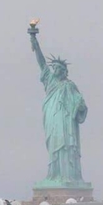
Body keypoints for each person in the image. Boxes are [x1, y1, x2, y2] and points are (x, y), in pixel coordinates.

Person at [30, 32, 88, 183]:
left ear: (64, 71)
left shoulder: (70, 85)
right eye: (53, 68)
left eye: (58, 68)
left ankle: (67, 175)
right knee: (55, 144)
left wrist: (79, 107)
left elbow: (80, 103)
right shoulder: (49, 80)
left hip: (66, 120)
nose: (55, 70)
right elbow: (42, 63)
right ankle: (54, 174)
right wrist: (35, 44)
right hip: (52, 117)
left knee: (66, 145)